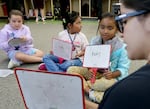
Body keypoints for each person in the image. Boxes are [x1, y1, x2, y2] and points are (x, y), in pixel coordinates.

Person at [85, 0, 150, 109]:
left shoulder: (123, 92)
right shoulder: (95, 41)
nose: (121, 33)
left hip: (111, 80)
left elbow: (123, 70)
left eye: (124, 22)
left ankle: (87, 88)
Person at [67, 12, 130, 103]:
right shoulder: (94, 40)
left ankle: (85, 87)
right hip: (94, 73)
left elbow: (123, 69)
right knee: (70, 69)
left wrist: (112, 74)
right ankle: (93, 91)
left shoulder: (122, 47)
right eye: (102, 27)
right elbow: (90, 58)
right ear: (99, 27)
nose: (105, 31)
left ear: (116, 29)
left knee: (109, 84)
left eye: (110, 28)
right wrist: (87, 58)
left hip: (109, 78)